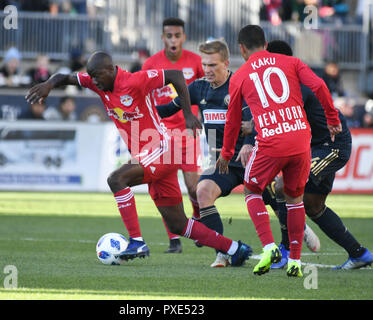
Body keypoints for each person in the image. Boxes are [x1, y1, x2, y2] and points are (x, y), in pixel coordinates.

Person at [25, 51, 253, 266]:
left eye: (97, 76)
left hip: (162, 148)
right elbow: (66, 77)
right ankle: (235, 249)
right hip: (150, 156)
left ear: (111, 69)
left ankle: (136, 241)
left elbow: (174, 76)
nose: (93, 82)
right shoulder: (98, 83)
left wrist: (186, 114)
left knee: (116, 179)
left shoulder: (134, 81)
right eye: (91, 77)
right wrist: (48, 84)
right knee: (178, 223)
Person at [217, 25, 342, 277]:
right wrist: (332, 116)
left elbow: (232, 121)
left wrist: (227, 153)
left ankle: (270, 247)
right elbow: (318, 85)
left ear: (241, 49)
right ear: (265, 42)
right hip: (300, 140)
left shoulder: (240, 76)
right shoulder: (292, 62)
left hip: (271, 142)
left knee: (251, 189)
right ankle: (295, 261)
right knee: (295, 199)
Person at [156, 38, 275, 267]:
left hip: (252, 157)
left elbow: (258, 119)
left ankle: (291, 246)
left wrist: (250, 142)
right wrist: (137, 109)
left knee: (279, 200)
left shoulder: (240, 84)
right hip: (222, 161)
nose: (207, 70)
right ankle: (223, 252)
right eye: (205, 65)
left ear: (226, 64)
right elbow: (168, 109)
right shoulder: (197, 87)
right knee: (203, 192)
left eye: (213, 65)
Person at [263, 40, 373, 270]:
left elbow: (285, 121)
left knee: (283, 187)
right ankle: (359, 253)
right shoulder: (288, 80)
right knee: (313, 206)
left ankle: (286, 247)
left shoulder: (295, 84)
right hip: (316, 145)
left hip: (331, 145)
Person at [141, 17, 205, 254]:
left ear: (183, 37)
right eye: (169, 35)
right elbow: (141, 94)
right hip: (159, 135)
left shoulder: (196, 62)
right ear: (163, 38)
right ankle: (174, 240)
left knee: (192, 187)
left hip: (188, 134)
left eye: (177, 35)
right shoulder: (151, 64)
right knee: (164, 189)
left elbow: (207, 88)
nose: (173, 39)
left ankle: (198, 220)